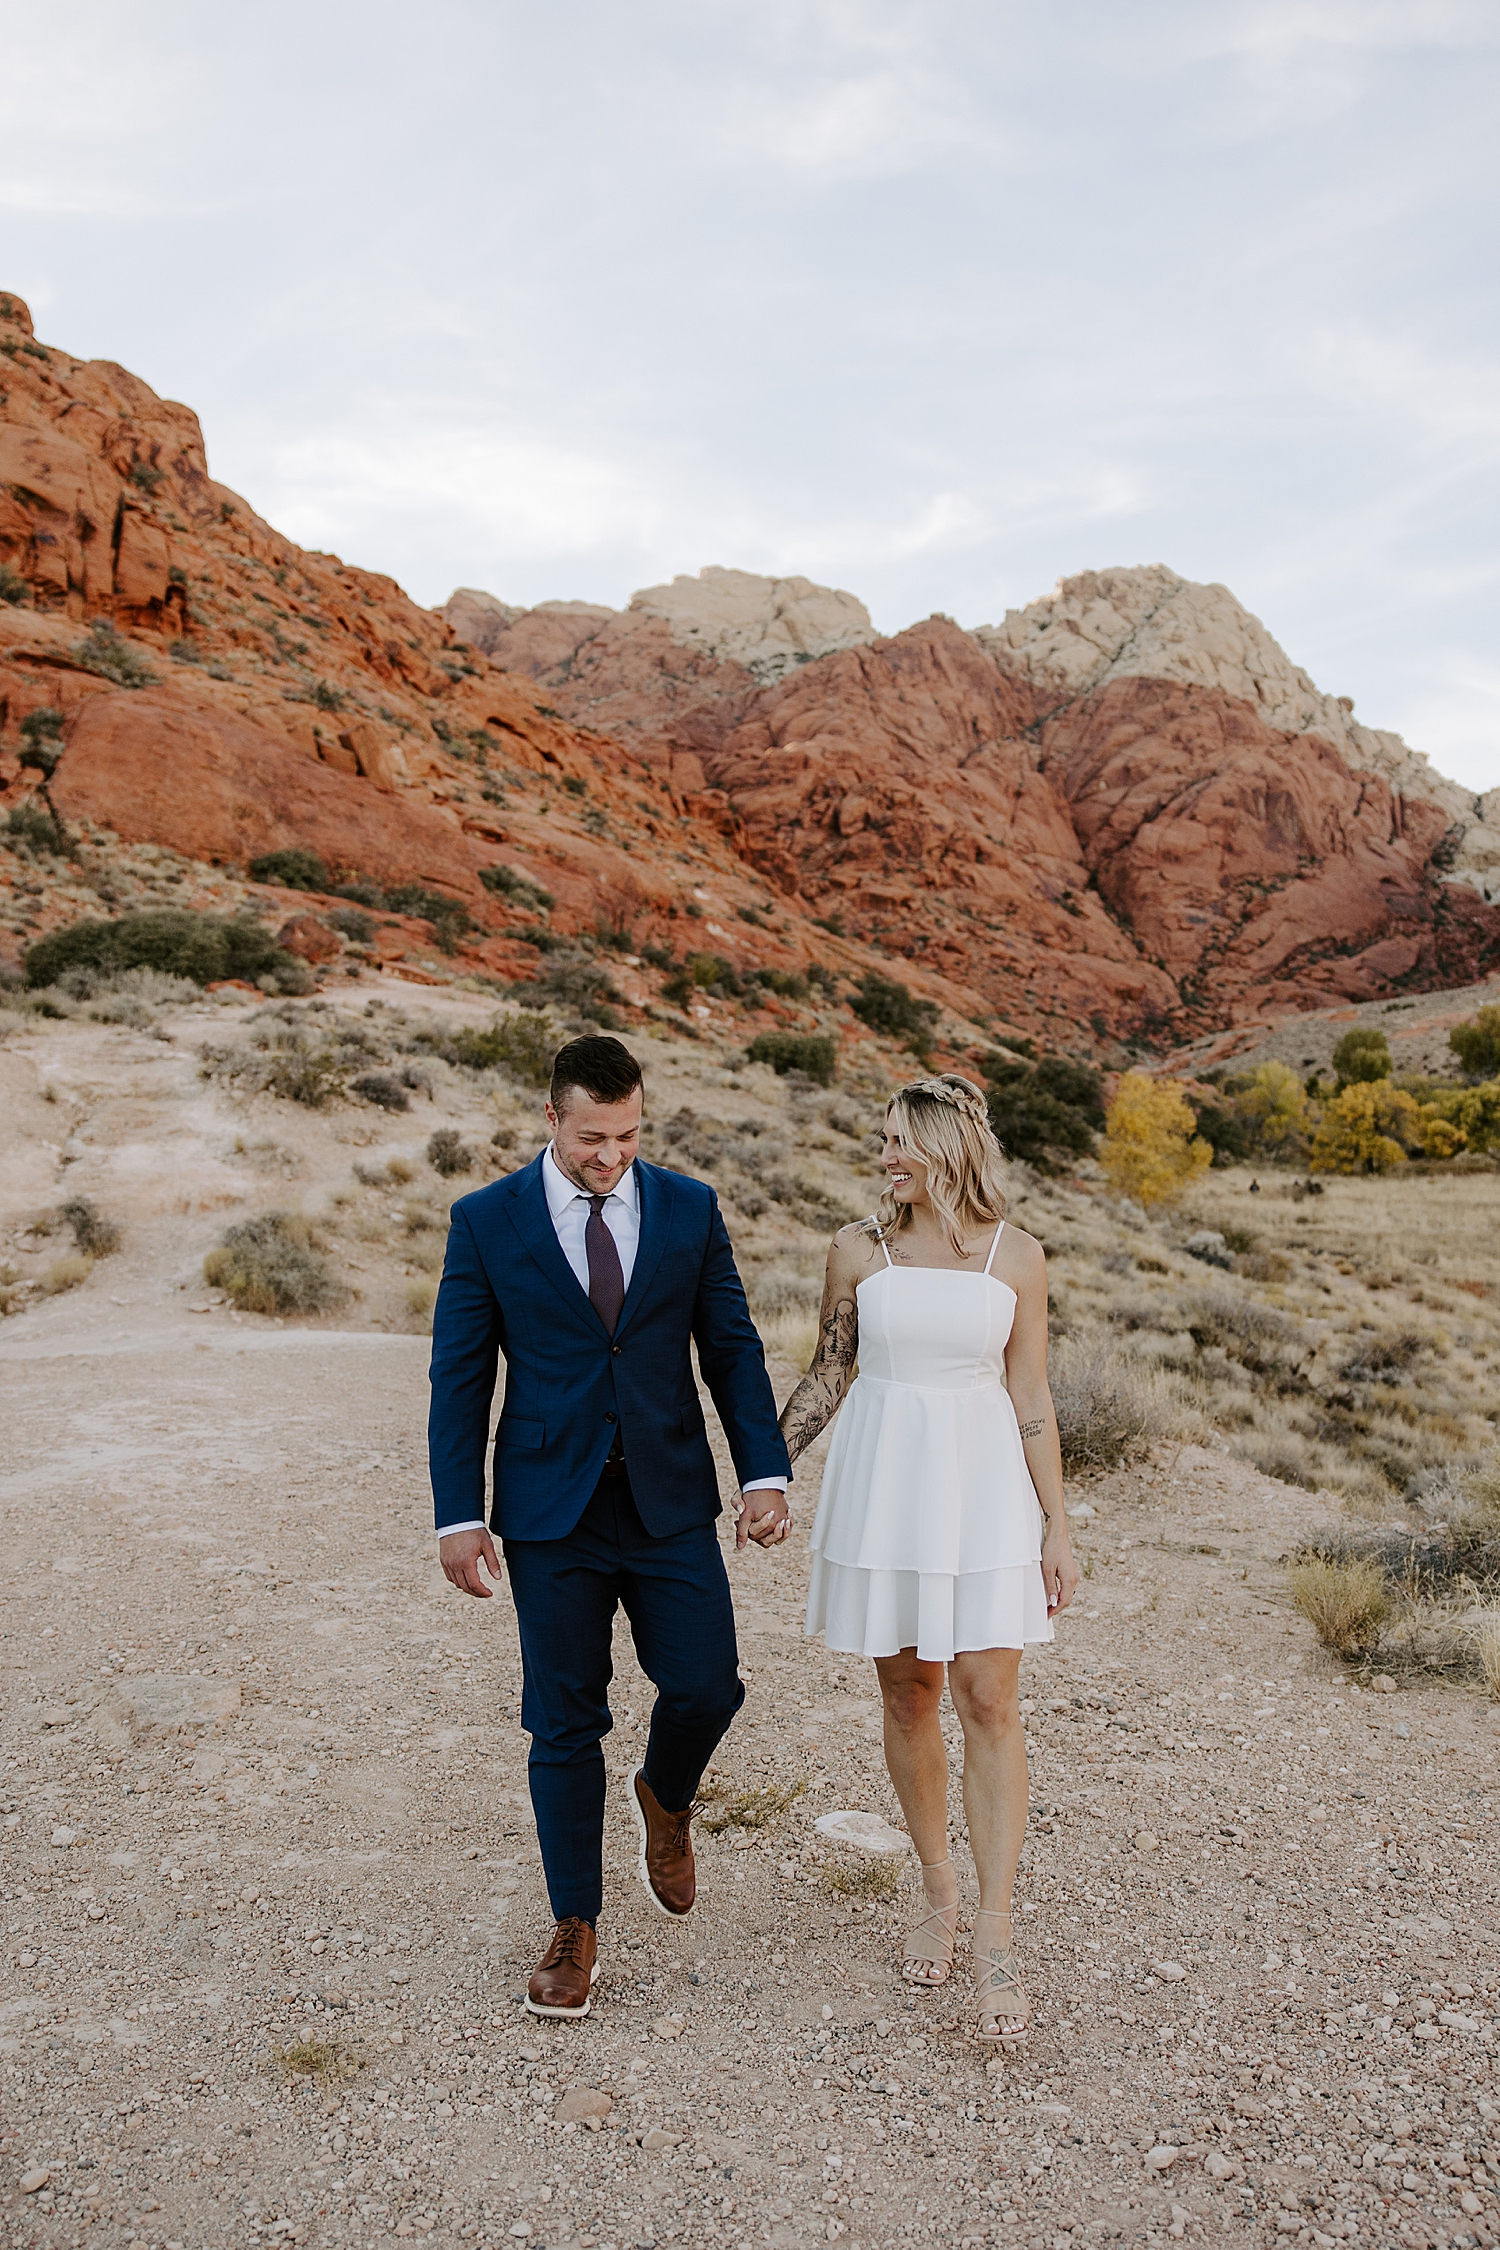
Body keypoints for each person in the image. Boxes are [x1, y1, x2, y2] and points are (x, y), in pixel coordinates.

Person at [429, 1035, 791, 2019]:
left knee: (710, 1684)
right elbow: (460, 1377)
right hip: (551, 1512)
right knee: (563, 1720)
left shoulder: (688, 1207)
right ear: (552, 1120)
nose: (612, 1155)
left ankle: (666, 1800)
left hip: (670, 1496)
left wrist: (765, 1473)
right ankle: (574, 1926)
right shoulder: (488, 1222)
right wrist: (458, 1516)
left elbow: (730, 1345)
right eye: (593, 1137)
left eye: (629, 1135)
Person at [779, 1074, 1078, 2047]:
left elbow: (1029, 1395)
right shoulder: (856, 1249)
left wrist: (1056, 1526)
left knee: (990, 1698)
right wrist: (766, 1473)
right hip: (888, 1486)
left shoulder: (1017, 1256)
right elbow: (831, 1369)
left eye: (898, 1140)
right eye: (881, 1140)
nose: (884, 1154)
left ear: (947, 1146)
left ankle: (995, 1931)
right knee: (908, 1692)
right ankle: (937, 1892)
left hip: (983, 1487)